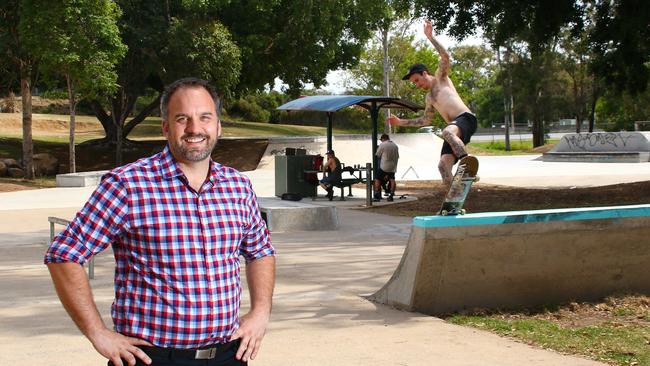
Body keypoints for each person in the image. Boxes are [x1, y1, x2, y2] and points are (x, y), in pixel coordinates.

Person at [44, 78, 276, 366]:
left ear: (218, 125)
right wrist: (98, 333)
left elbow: (260, 251)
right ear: (166, 127)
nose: (194, 129)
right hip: (153, 358)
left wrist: (261, 312)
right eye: (182, 119)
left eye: (205, 117)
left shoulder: (238, 187)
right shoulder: (128, 186)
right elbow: (64, 253)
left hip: (228, 355)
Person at [388, 19, 477, 186]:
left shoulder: (441, 78)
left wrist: (431, 38)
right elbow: (425, 120)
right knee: (443, 166)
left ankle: (467, 165)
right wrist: (401, 122)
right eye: (414, 83)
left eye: (416, 80)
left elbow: (445, 56)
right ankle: (454, 200)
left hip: (466, 119)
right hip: (454, 132)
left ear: (424, 73)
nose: (417, 85)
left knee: (447, 132)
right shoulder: (429, 98)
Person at [374, 134, 399, 202]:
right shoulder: (395, 145)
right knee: (392, 180)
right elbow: (397, 156)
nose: (381, 141)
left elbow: (377, 155)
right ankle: (391, 194)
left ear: (383, 139)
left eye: (381, 140)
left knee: (377, 179)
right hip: (393, 166)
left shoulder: (383, 144)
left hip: (384, 166)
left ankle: (377, 195)